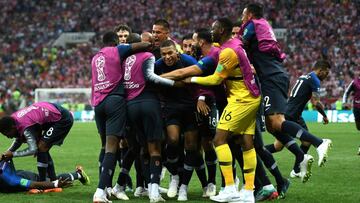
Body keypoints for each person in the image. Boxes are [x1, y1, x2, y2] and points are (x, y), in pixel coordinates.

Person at [240, 3, 327, 183]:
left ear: (249, 14)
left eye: (243, 15)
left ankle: (319, 143)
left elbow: (239, 45)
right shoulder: (263, 28)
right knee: (272, 126)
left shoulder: (252, 25)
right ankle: (301, 156)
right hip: (274, 76)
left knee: (277, 121)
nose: (242, 18)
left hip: (272, 78)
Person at [184, 18, 260, 203]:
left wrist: (191, 79)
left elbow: (215, 80)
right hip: (251, 95)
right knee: (246, 142)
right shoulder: (236, 44)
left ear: (222, 30)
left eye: (214, 28)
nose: (212, 31)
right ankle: (249, 191)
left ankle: (230, 188)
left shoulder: (228, 51)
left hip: (241, 99)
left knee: (218, 139)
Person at [160, 28, 225, 198]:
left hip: (203, 105)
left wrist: (201, 97)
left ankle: (211, 182)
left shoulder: (202, 59)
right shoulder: (187, 59)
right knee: (188, 148)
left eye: (191, 45)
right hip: (181, 108)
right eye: (186, 46)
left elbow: (208, 82)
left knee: (206, 143)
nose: (189, 48)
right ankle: (192, 183)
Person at [91, 31, 151, 203]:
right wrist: (147, 41)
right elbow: (143, 46)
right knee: (112, 147)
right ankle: (101, 191)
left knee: (105, 146)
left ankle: (108, 187)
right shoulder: (117, 50)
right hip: (114, 101)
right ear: (115, 42)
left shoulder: (95, 58)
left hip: (98, 103)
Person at [155, 40, 204, 201]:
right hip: (171, 107)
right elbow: (151, 82)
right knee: (173, 140)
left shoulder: (189, 61)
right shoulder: (158, 65)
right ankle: (175, 176)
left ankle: (184, 186)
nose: (167, 57)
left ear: (177, 51)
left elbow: (201, 79)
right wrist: (179, 82)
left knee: (191, 146)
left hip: (190, 107)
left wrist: (200, 98)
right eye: (164, 54)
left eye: (170, 53)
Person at [265, 60, 332, 177]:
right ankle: (319, 144)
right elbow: (316, 102)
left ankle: (296, 170)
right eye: (326, 73)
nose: (326, 76)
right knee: (279, 146)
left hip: (294, 113)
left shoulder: (304, 77)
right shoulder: (315, 80)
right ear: (321, 70)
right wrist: (325, 115)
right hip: (291, 113)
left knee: (303, 142)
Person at [0, 102, 74, 182]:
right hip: (51, 111)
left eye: (7, 133)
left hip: (62, 118)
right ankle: (53, 179)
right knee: (42, 148)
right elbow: (19, 139)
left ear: (13, 127)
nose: (7, 137)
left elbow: (33, 149)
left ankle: (43, 183)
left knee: (42, 147)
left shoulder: (25, 126)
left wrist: (12, 154)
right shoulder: (13, 120)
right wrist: (8, 152)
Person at [0, 160, 89, 193]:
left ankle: (78, 174)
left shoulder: (12, 180)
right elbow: (8, 159)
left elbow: (33, 184)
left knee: (53, 180)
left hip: (30, 178)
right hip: (18, 174)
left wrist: (55, 185)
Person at [343, 69, 360, 154]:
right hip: (357, 107)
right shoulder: (354, 82)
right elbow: (346, 92)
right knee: (358, 127)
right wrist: (344, 102)